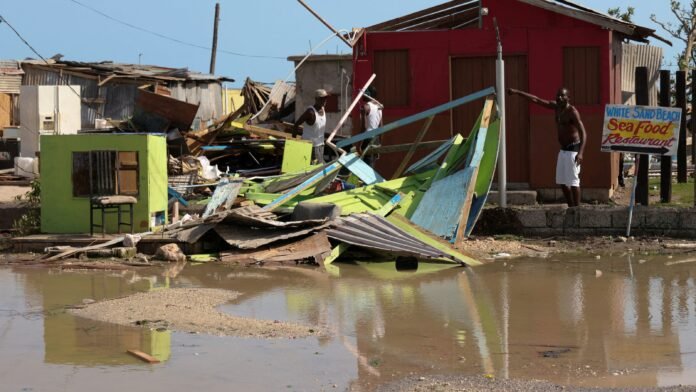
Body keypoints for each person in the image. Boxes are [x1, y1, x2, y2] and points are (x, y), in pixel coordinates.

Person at [508, 87, 587, 207]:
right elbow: (536, 99)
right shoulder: (556, 107)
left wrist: (580, 153)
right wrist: (518, 93)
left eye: (562, 95)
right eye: (558, 95)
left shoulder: (572, 112)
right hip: (563, 150)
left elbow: (583, 133)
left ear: (568, 98)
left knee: (573, 182)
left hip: (573, 150)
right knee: (561, 181)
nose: (559, 98)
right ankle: (571, 207)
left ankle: (578, 209)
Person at [293, 89, 328, 164]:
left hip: (320, 145)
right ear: (316, 99)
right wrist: (294, 142)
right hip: (310, 146)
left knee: (318, 167)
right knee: (312, 167)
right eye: (322, 98)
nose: (325, 100)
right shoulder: (310, 112)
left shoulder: (323, 109)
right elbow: (296, 124)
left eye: (326, 98)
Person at [357, 87, 383, 167]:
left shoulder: (365, 107)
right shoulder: (379, 107)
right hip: (376, 139)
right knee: (372, 165)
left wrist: (359, 145)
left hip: (367, 139)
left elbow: (363, 128)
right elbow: (381, 127)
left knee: (366, 166)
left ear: (368, 94)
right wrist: (380, 144)